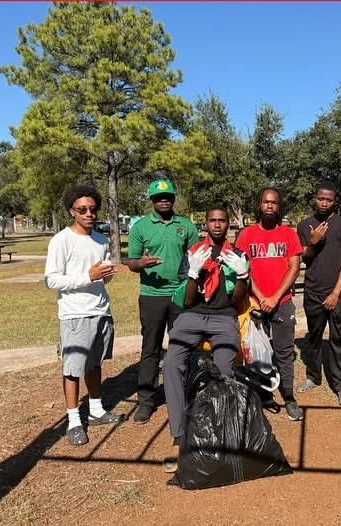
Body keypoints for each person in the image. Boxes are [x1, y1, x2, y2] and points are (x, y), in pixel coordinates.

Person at [163, 206, 249, 472]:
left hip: (224, 317)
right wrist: (193, 273)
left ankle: (225, 430)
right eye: (212, 220)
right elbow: (188, 300)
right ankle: (179, 434)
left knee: (224, 366)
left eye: (222, 220)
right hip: (193, 316)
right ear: (205, 224)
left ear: (228, 225)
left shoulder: (238, 255)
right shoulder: (193, 253)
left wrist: (242, 275)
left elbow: (237, 302)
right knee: (170, 364)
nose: (217, 224)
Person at [45, 184, 123, 446]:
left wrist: (106, 276)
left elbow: (102, 280)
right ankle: (74, 420)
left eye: (93, 209)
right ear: (72, 211)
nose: (89, 214)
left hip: (101, 310)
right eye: (82, 210)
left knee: (94, 363)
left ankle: (97, 410)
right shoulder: (61, 240)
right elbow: (52, 280)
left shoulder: (100, 241)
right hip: (74, 314)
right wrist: (87, 276)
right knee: (73, 368)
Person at [127, 178, 199, 424]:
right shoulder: (140, 227)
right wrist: (141, 264)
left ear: (174, 198)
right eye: (159, 197)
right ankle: (146, 400)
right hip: (151, 296)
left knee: (184, 347)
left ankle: (186, 396)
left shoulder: (186, 226)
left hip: (180, 295)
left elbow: (195, 260)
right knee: (151, 349)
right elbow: (132, 263)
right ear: (152, 200)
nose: (164, 200)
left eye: (168, 196)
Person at [236, 187, 304, 421]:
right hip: (255, 303)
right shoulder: (246, 235)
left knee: (284, 352)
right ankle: (263, 395)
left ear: (279, 206)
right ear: (259, 205)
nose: (270, 206)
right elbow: (242, 269)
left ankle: (289, 396)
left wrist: (275, 297)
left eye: (274, 202)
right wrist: (260, 297)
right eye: (266, 202)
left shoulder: (289, 234)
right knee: (257, 353)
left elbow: (294, 267)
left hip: (282, 302)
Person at [296, 182, 341, 406]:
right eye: (321, 198)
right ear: (315, 198)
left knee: (338, 338)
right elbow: (304, 258)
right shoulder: (305, 226)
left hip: (335, 294)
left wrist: (336, 293)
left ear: (334, 201)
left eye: (329, 200)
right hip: (313, 291)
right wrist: (312, 243)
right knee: (313, 337)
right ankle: (313, 376)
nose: (324, 203)